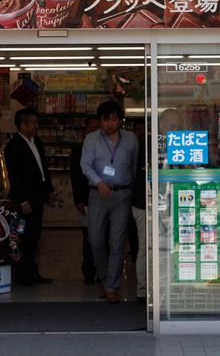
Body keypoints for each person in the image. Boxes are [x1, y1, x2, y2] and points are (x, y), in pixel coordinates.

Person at [81, 100, 138, 303]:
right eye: (105, 120)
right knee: (95, 240)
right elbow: (85, 165)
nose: (109, 124)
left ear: (119, 120)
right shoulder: (91, 139)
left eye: (114, 119)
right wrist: (99, 182)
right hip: (98, 194)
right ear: (100, 120)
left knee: (117, 242)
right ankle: (105, 278)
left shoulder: (131, 140)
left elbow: (134, 166)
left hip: (122, 195)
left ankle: (112, 286)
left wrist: (128, 188)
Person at [4, 108, 53, 286]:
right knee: (21, 237)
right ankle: (22, 275)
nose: (36, 126)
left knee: (34, 237)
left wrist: (48, 189)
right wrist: (23, 200)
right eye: (33, 123)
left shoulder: (36, 141)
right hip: (23, 202)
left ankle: (33, 271)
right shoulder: (13, 146)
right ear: (23, 125)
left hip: (38, 197)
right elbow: (14, 176)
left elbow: (43, 168)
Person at [70, 115, 100, 285]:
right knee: (88, 237)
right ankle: (88, 271)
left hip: (103, 198)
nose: (94, 130)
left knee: (103, 237)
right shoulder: (78, 150)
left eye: (98, 127)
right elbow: (75, 176)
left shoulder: (107, 147)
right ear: (85, 131)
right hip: (86, 200)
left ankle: (102, 272)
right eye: (91, 127)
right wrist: (78, 200)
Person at [131, 119, 147, 303]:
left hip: (156, 202)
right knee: (145, 248)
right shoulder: (148, 145)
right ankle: (142, 291)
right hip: (143, 203)